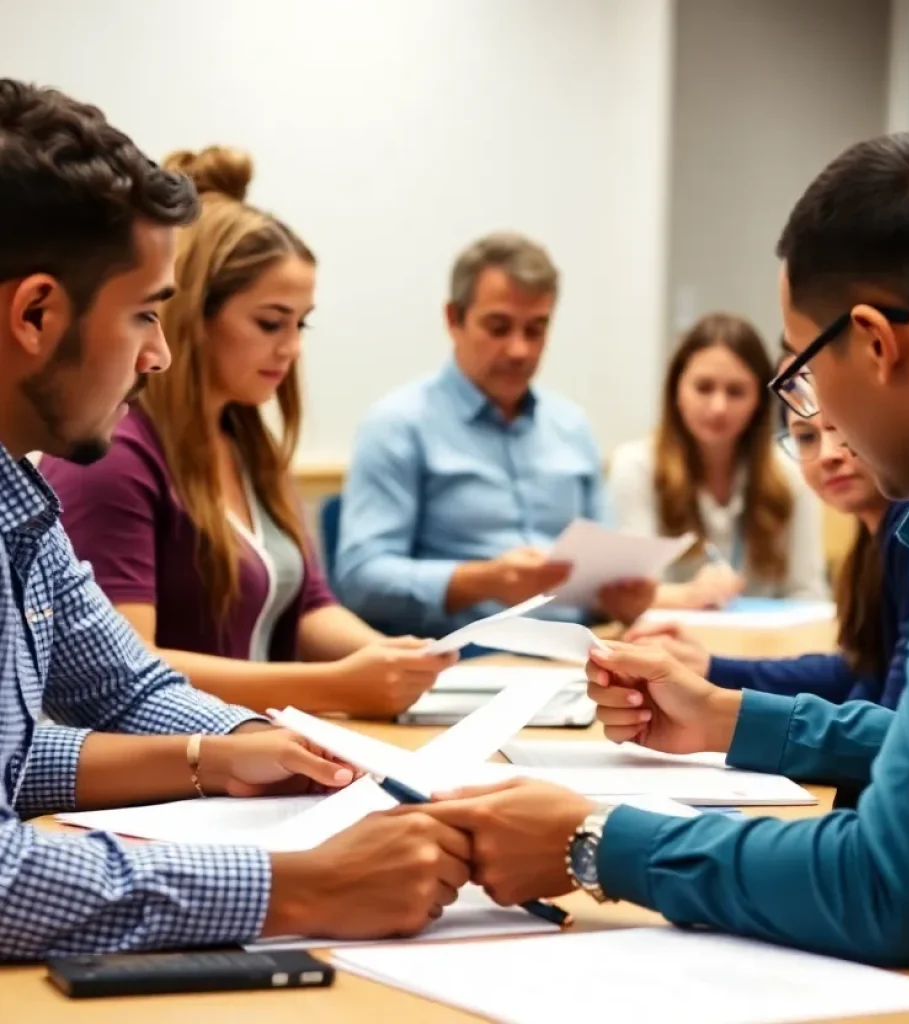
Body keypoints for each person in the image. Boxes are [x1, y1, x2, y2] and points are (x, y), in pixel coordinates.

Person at [415, 130, 909, 994]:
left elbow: (891, 885)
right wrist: (738, 718)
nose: (813, 416)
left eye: (801, 370)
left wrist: (594, 840)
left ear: (876, 342)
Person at [0, 80, 469, 959]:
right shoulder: (86, 465)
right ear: (34, 313)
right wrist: (301, 887)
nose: (159, 354)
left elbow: (112, 696)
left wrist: (241, 746)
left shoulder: (17, 498)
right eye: (145, 313)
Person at [42, 146, 454, 719]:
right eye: (270, 323)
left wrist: (392, 659)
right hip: (171, 768)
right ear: (192, 316)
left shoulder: (251, 443)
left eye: (300, 323)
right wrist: (335, 687)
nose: (292, 348)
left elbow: (308, 606)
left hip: (248, 751)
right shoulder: (113, 453)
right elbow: (122, 669)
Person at [336, 232, 655, 636]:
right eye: (498, 327)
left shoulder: (571, 427)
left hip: (579, 651)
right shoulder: (397, 425)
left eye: (535, 329)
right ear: (454, 319)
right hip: (459, 658)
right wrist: (481, 581)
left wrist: (623, 592)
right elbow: (360, 579)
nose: (519, 350)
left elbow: (608, 565)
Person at [626, 410, 909, 711]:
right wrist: (711, 668)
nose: (829, 454)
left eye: (845, 428)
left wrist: (718, 717)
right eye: (806, 437)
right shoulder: (872, 544)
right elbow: (858, 673)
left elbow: (887, 729)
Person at [608, 314, 827, 610]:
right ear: (676, 391)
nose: (718, 407)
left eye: (736, 392)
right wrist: (691, 596)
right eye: (704, 387)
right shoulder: (635, 466)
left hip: (764, 648)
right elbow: (625, 596)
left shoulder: (793, 474)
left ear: (759, 403)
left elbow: (809, 595)